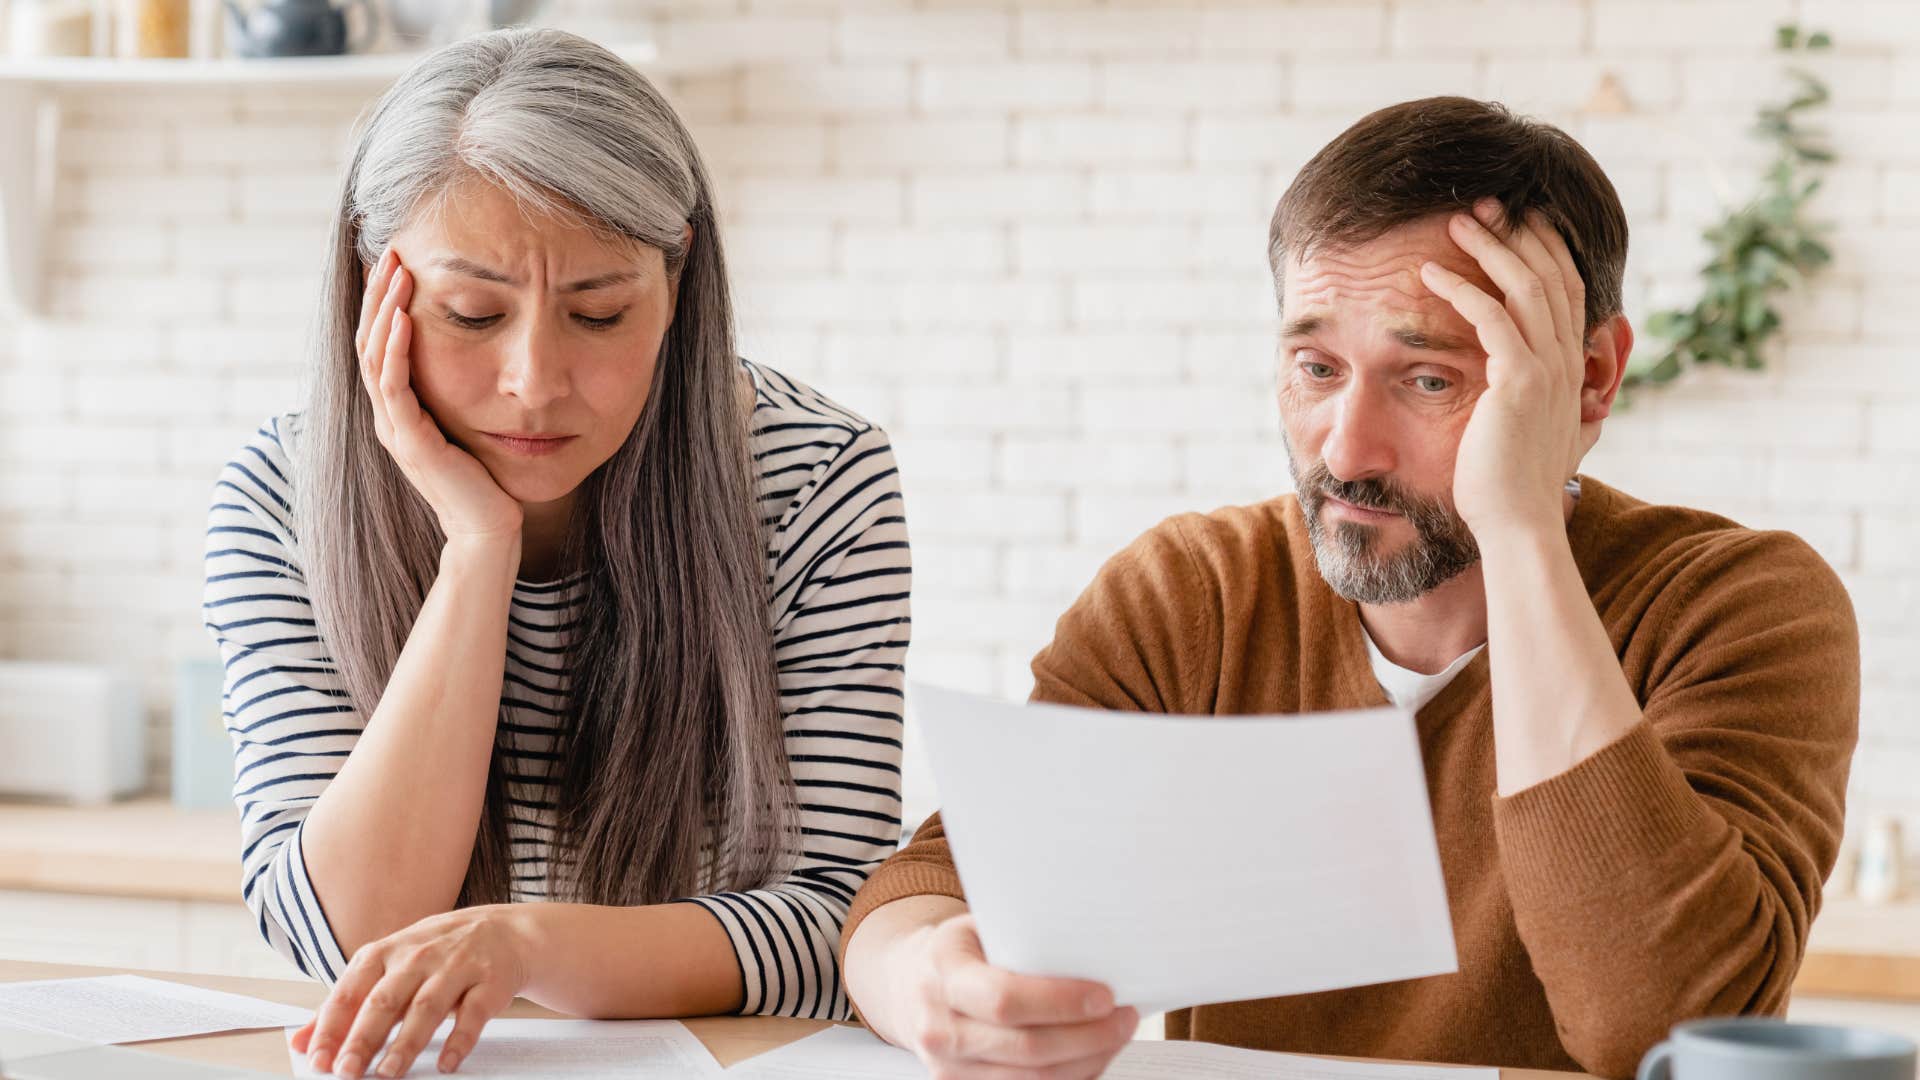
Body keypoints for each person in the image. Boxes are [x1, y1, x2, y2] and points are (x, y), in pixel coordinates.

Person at [839, 96, 1858, 1080]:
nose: (1346, 452)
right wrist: (928, 981)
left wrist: (1519, 529)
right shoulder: (1195, 596)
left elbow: (1661, 1030)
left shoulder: (1736, 606)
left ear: (1588, 378)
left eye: (1429, 379)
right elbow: (935, 886)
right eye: (1317, 368)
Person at [201, 28, 910, 1080]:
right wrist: (477, 546)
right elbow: (342, 929)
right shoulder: (281, 494)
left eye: (600, 313)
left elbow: (834, 926)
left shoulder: (814, 480)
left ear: (678, 284)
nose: (534, 381)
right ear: (371, 287)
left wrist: (526, 943)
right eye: (472, 313)